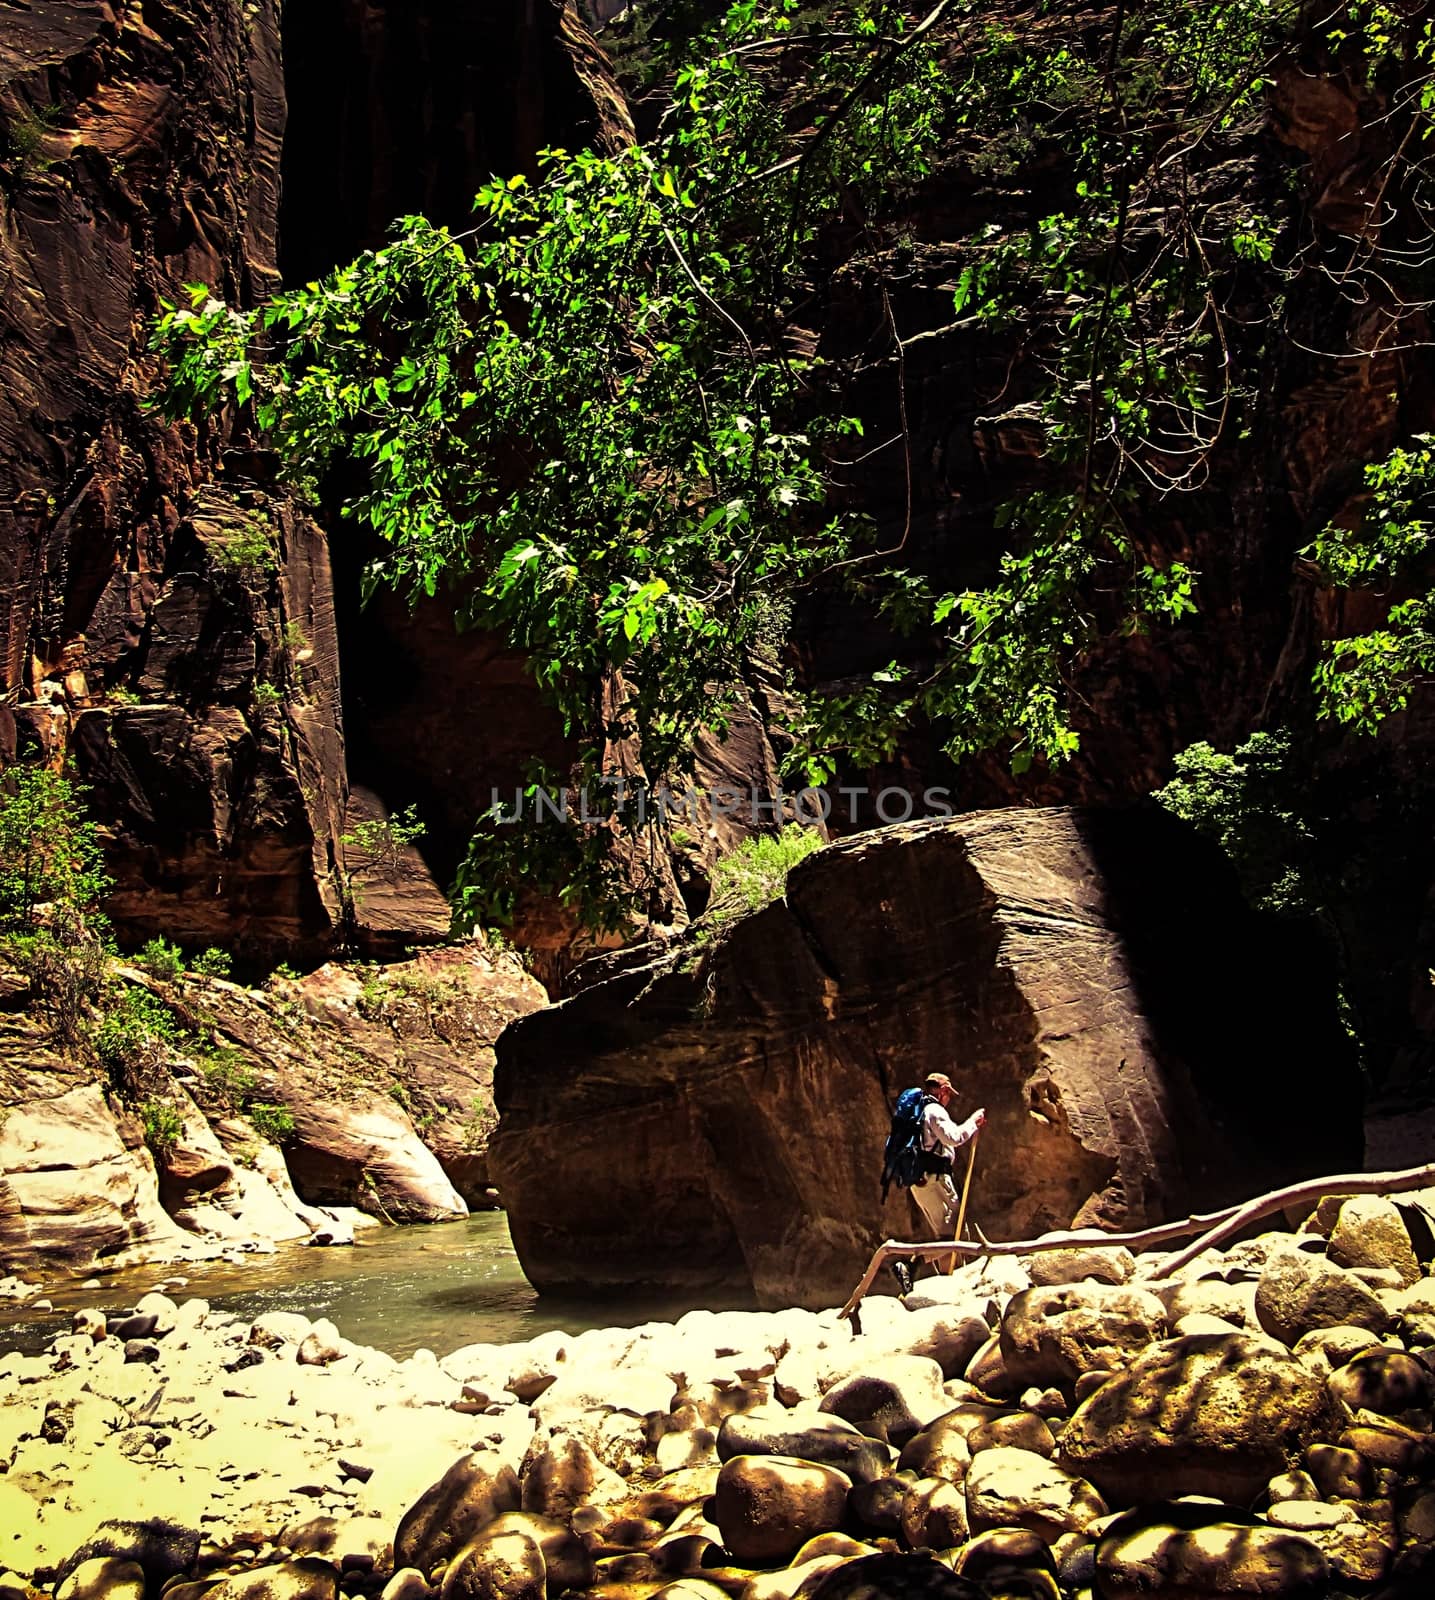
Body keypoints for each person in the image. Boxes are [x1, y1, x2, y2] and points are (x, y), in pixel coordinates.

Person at [892, 1072, 986, 1296]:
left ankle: (949, 1283)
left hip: (919, 1180)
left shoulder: (912, 1113)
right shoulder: (933, 1110)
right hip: (935, 1179)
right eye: (949, 1094)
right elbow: (953, 1137)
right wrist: (973, 1122)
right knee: (955, 1235)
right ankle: (912, 1264)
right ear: (942, 1090)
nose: (949, 1099)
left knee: (945, 1233)